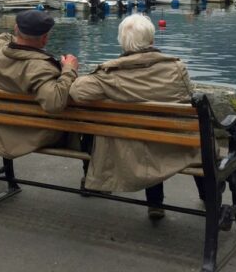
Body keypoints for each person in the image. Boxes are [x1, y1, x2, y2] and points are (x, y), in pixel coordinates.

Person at [69, 13, 204, 221]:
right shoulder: (177, 68)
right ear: (152, 40)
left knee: (144, 137)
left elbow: (77, 92)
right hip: (176, 146)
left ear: (122, 43)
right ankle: (203, 195)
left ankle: (154, 203)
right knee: (171, 136)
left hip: (128, 149)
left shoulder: (110, 75)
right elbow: (188, 97)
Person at [0, 9, 79, 159]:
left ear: (16, 28)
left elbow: (4, 37)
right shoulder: (40, 68)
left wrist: (21, 37)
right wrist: (69, 70)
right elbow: (54, 103)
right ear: (44, 39)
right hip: (29, 134)